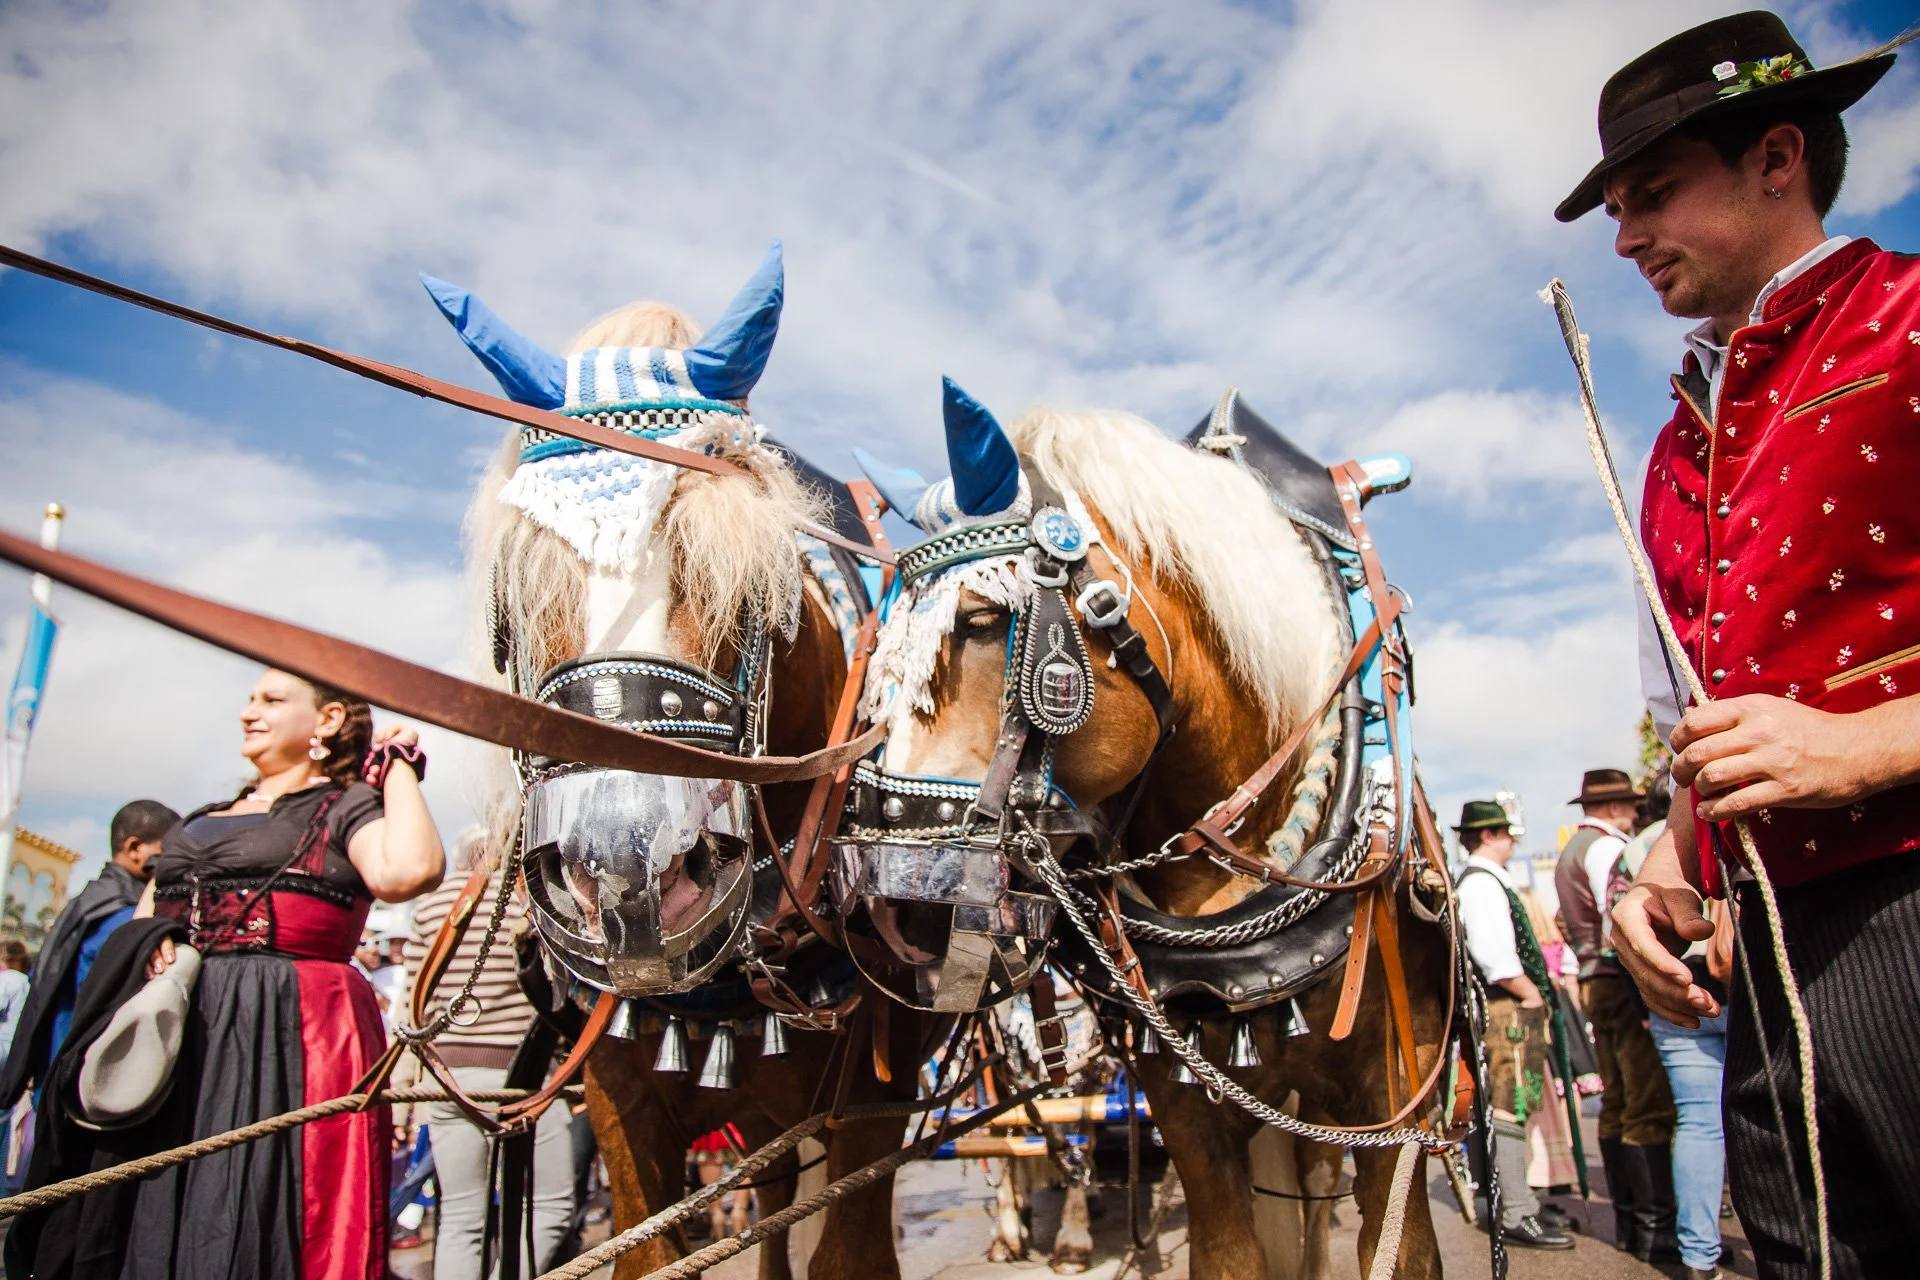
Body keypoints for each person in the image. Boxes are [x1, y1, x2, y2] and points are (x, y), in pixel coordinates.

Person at [1560, 11, 1917, 1277]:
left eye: (1652, 192)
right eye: (1615, 206)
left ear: (1778, 158)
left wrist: (1878, 738)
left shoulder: (1914, 320)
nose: (1625, 236)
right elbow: (1691, 717)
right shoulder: (1669, 447)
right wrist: (1665, 859)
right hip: (1761, 950)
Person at [125, 668, 444, 1279]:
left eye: (272, 700)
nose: (249, 712)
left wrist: (398, 766)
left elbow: (410, 869)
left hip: (293, 1035)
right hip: (182, 1029)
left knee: (274, 1202)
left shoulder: (347, 805)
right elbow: (146, 915)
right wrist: (147, 943)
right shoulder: (201, 816)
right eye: (248, 699)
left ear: (325, 722)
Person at [401, 826, 572, 1278]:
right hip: (524, 1074)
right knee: (551, 1206)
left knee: (460, 1217)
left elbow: (411, 1000)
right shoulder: (531, 898)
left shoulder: (432, 903)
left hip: (448, 1078)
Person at [1553, 768, 1677, 1259]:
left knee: (1619, 1100)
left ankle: (1630, 1225)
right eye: (1626, 805)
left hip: (1593, 980)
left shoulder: (1572, 850)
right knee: (1646, 1101)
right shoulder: (1607, 848)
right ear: (1611, 809)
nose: (1631, 812)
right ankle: (1656, 1233)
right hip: (1617, 978)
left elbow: (1569, 921)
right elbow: (1620, 917)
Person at [0, 800, 177, 1115]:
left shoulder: (90, 900)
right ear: (136, 848)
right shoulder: (120, 914)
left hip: (58, 1069)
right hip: (82, 1078)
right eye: (168, 850)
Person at [1452, 800, 1574, 1250]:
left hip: (1508, 1005)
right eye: (1506, 833)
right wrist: (1531, 993)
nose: (1514, 840)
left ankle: (1521, 1204)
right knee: (1509, 1101)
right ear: (1487, 835)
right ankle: (1516, 1211)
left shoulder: (1485, 881)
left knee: (1514, 1100)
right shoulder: (1482, 884)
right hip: (1507, 1008)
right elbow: (1495, 957)